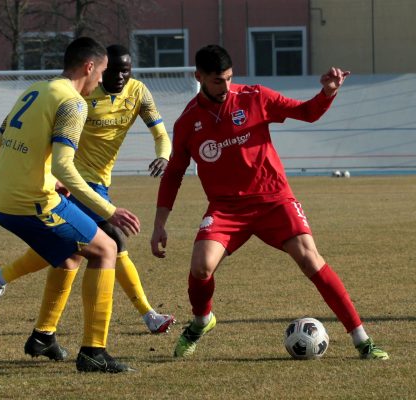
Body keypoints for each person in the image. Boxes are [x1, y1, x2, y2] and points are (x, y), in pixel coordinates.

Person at [150, 44, 389, 360]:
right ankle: (201, 322)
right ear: (199, 77)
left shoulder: (254, 98)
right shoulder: (187, 123)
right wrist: (159, 224)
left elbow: (306, 112)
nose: (226, 87)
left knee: (310, 259)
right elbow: (174, 174)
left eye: (230, 79)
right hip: (226, 208)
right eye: (218, 81)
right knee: (201, 267)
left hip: (274, 199)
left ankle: (363, 341)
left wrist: (328, 92)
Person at [0, 44, 175, 335]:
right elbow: (62, 163)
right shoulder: (77, 100)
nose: (116, 76)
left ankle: (32, 317)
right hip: (78, 182)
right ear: (94, 67)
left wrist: (164, 154)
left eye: (127, 70)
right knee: (110, 244)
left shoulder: (136, 92)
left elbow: (161, 133)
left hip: (92, 182)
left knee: (70, 254)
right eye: (108, 70)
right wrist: (104, 207)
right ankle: (145, 316)